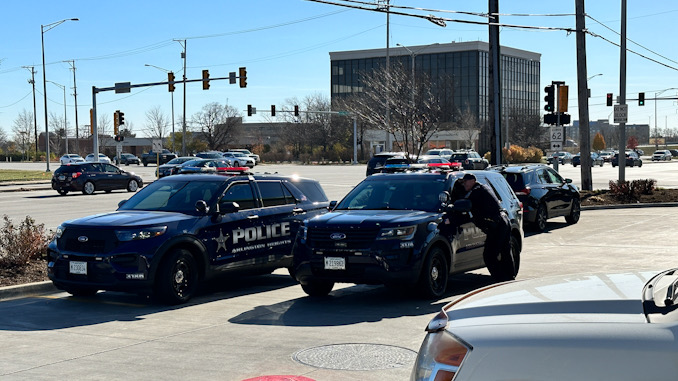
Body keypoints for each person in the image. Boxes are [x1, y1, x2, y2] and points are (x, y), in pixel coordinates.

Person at [460, 173, 516, 281]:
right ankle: (510, 278)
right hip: (503, 221)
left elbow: (469, 208)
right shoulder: (483, 187)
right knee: (505, 252)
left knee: (489, 256)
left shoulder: (476, 192)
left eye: (465, 182)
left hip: (497, 225)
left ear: (472, 181)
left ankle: (501, 280)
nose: (464, 185)